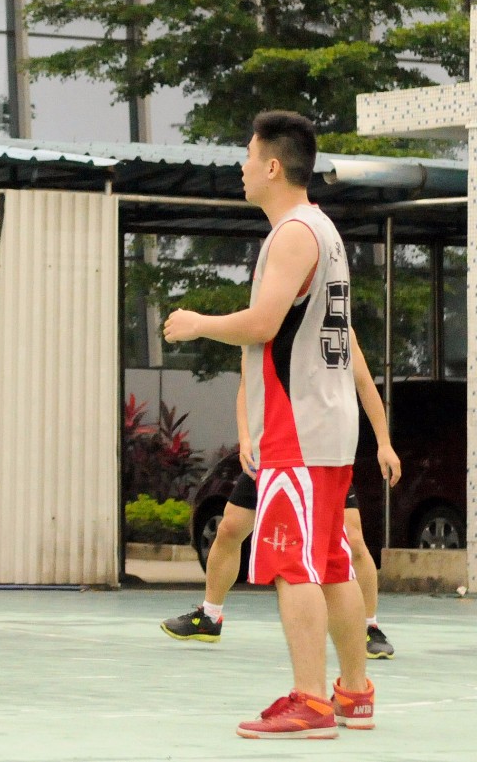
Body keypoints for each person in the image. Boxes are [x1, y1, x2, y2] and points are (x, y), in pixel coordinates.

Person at [164, 111, 373, 739]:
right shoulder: (324, 230)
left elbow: (262, 324)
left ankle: (310, 702)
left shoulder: (292, 234)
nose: (243, 167)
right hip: (328, 421)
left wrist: (197, 323)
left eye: (249, 156)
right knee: (331, 562)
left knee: (291, 565)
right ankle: (353, 693)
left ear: (274, 166)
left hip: (298, 425)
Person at [162, 343, 402, 658]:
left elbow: (364, 384)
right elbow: (248, 387)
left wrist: (384, 443)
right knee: (230, 529)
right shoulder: (261, 329)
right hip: (273, 453)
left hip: (321, 455)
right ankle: (209, 616)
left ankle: (369, 627)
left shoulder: (333, 325)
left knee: (352, 540)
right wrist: (246, 439)